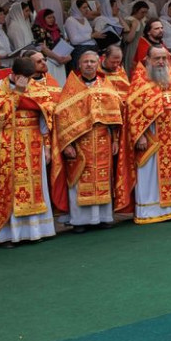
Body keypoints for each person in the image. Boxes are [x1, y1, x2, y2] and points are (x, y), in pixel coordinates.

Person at [0, 55, 59, 245]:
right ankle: (10, 235)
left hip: (34, 143)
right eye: (24, 78)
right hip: (9, 145)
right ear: (14, 74)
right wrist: (18, 93)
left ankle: (35, 231)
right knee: (10, 188)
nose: (28, 82)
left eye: (30, 78)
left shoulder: (35, 85)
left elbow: (46, 116)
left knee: (35, 187)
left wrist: (47, 145)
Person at [50, 48, 125, 228]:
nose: (89, 65)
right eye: (86, 62)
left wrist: (115, 139)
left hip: (103, 139)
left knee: (103, 177)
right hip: (79, 141)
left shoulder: (106, 85)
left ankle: (103, 218)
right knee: (79, 179)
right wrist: (66, 144)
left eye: (92, 61)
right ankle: (80, 221)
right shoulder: (71, 87)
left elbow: (116, 113)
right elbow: (62, 116)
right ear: (79, 64)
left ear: (98, 63)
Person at [122, 45, 171, 223]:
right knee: (150, 173)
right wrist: (140, 135)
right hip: (151, 136)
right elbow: (133, 112)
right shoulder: (140, 81)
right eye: (157, 58)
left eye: (164, 58)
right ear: (147, 60)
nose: (161, 62)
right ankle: (150, 210)